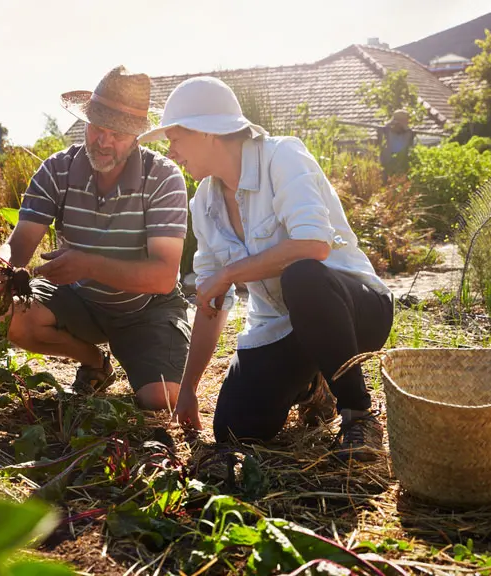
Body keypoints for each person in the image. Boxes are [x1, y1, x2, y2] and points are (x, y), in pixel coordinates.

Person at [138, 77, 394, 461]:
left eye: (175, 138)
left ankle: (358, 414)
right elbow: (212, 302)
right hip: (282, 327)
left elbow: (313, 245)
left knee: (303, 276)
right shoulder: (204, 204)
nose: (171, 152)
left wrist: (229, 273)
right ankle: (312, 386)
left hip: (356, 311)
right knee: (234, 429)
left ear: (208, 132)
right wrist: (189, 388)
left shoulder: (281, 156)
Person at [0, 65, 192, 411]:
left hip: (146, 308)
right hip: (80, 301)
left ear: (137, 135)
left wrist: (88, 265)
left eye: (118, 133)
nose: (103, 141)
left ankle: (140, 354)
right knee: (15, 316)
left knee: (161, 400)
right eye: (97, 127)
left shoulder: (163, 178)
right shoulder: (58, 169)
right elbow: (20, 242)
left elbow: (162, 276)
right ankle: (95, 363)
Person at [376, 109, 416, 176]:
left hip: (402, 163)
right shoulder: (387, 131)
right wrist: (391, 123)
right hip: (388, 162)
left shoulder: (408, 133)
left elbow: (409, 137)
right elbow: (381, 132)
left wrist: (404, 126)